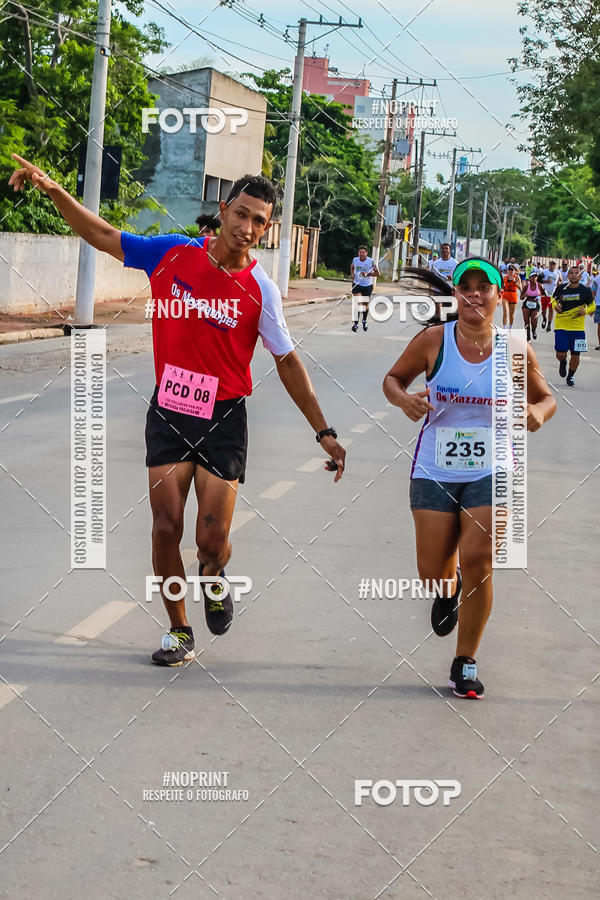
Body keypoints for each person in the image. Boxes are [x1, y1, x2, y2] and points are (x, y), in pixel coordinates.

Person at [9, 154, 347, 665]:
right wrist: (53, 189)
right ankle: (179, 630)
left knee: (210, 540)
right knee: (166, 527)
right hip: (170, 410)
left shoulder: (262, 290)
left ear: (267, 226)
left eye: (259, 221)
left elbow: (287, 362)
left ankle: (214, 577)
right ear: (224, 208)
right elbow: (102, 235)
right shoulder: (172, 254)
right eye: (242, 214)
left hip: (224, 419)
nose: (248, 227)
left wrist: (323, 430)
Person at [382, 258, 555, 699]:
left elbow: (546, 398)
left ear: (501, 295)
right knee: (433, 572)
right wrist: (404, 401)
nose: (475, 295)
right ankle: (448, 588)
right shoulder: (433, 341)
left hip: (494, 465)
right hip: (435, 466)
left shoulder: (515, 347)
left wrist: (536, 412)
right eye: (466, 287)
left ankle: (465, 662)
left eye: (484, 287)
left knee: (480, 561)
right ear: (455, 294)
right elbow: (393, 380)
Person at [552, 264, 596, 386]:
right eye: (571, 273)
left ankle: (570, 376)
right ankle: (563, 362)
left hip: (578, 329)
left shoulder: (585, 291)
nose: (574, 275)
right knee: (560, 353)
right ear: (567, 275)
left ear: (581, 275)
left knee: (576, 355)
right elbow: (553, 299)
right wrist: (555, 306)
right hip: (562, 326)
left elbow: (592, 305)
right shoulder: (561, 288)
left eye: (576, 273)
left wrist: (585, 311)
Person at [350, 245, 380, 332]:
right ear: (358, 253)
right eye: (360, 252)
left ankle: (364, 320)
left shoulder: (371, 262)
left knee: (364, 305)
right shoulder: (355, 260)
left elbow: (378, 273)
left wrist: (368, 274)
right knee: (357, 303)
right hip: (357, 284)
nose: (361, 254)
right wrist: (352, 275)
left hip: (367, 286)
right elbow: (352, 267)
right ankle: (355, 324)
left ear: (366, 253)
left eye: (363, 252)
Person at [520, 270, 544, 340]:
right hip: (527, 303)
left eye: (535, 277)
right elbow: (521, 297)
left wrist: (539, 297)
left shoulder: (539, 285)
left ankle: (534, 330)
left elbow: (544, 295)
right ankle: (528, 335)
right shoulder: (526, 286)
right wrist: (524, 295)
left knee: (534, 321)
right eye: (532, 276)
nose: (534, 278)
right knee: (526, 321)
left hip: (535, 304)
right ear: (529, 278)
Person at [541, 259, 560, 331]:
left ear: (555, 265)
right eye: (551, 264)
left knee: (551, 310)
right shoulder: (544, 272)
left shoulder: (557, 273)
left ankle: (549, 324)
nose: (552, 266)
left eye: (553, 264)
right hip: (545, 293)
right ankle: (544, 319)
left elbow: (559, 281)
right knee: (543, 309)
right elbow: (539, 280)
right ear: (549, 264)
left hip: (553, 294)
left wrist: (559, 287)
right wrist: (546, 281)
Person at [501, 263, 521, 327]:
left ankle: (510, 327)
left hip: (513, 296)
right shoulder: (505, 277)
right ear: (507, 271)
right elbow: (502, 287)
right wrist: (502, 287)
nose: (510, 271)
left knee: (511, 314)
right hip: (505, 296)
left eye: (512, 270)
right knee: (505, 312)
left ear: (514, 271)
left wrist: (515, 282)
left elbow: (520, 288)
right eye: (509, 270)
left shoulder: (517, 278)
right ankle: (504, 328)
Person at [591, 267, 600, 349]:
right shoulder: (596, 280)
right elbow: (593, 291)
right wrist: (592, 303)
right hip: (598, 304)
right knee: (599, 325)